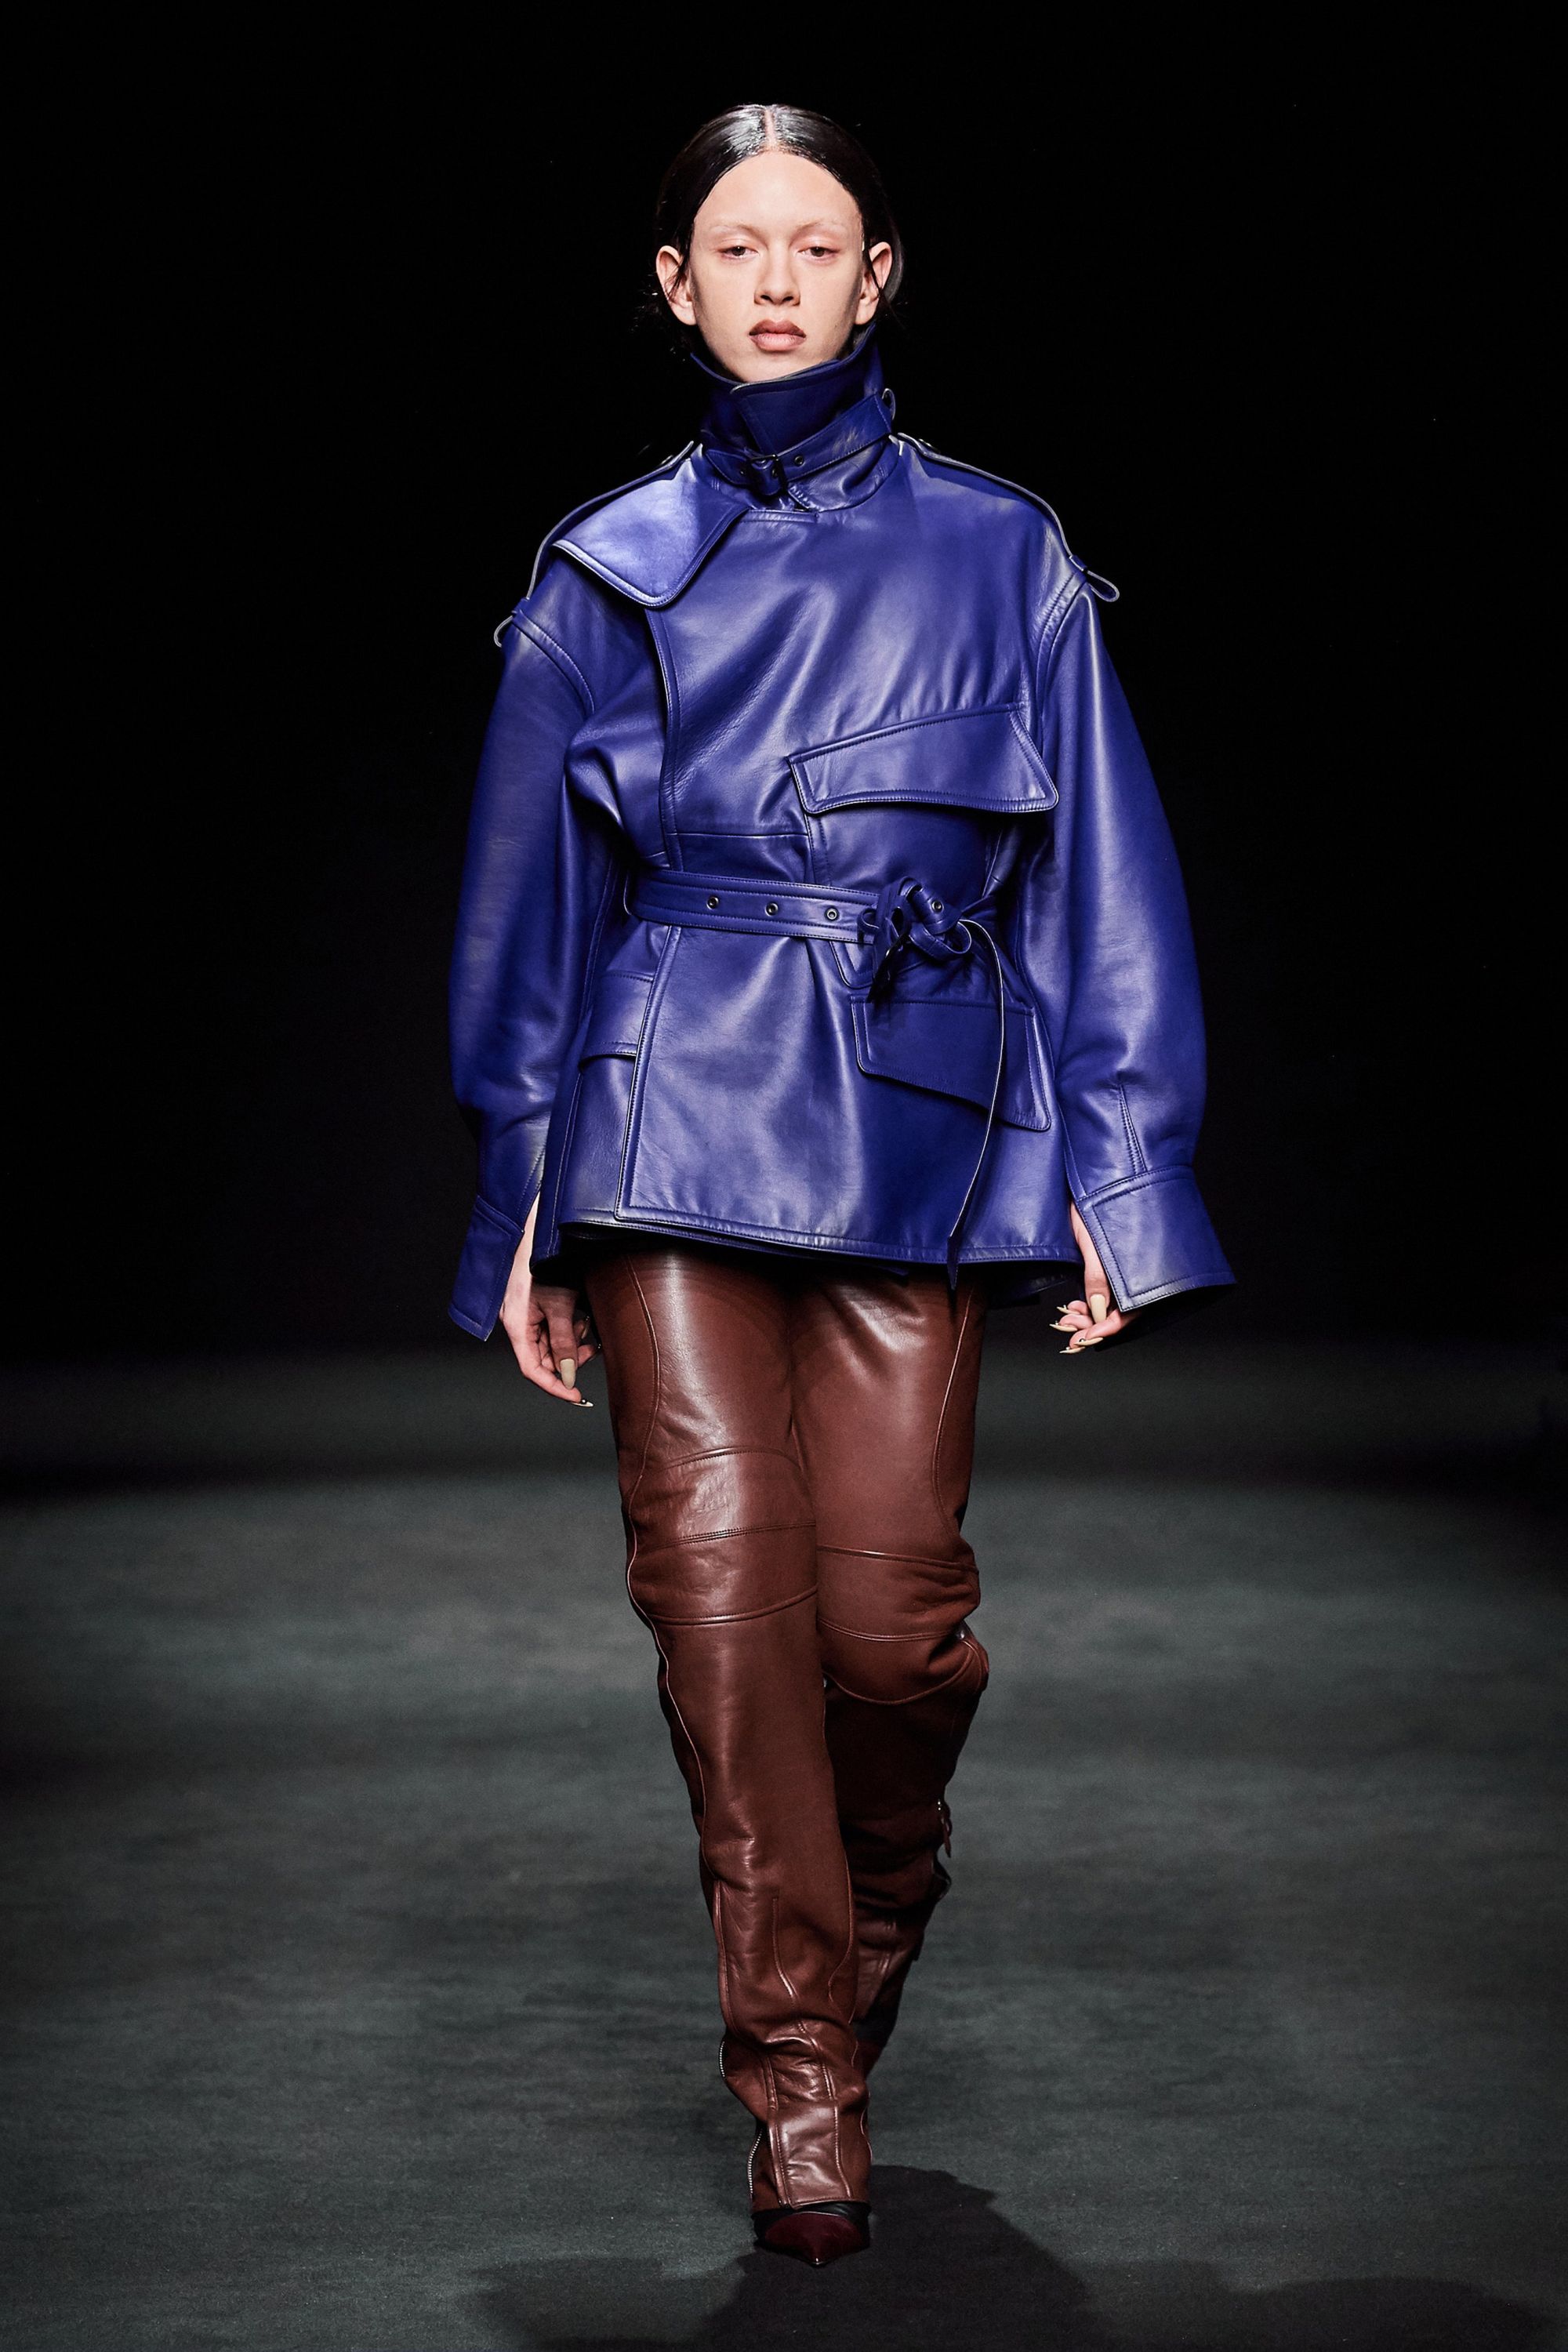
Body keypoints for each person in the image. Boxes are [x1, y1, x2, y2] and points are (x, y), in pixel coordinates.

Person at [447, 101, 1232, 2267]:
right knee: (720, 1600)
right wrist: (519, 1203)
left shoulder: (1005, 555)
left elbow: (1102, 879)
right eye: (737, 246)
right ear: (677, 288)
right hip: (665, 1107)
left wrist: (1126, 1170)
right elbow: (527, 915)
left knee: (890, 1632)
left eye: (818, 244)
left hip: (919, 1116)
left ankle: (871, 1911)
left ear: (881, 279)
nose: (777, 279)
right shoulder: (607, 569)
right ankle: (800, 2070)